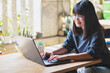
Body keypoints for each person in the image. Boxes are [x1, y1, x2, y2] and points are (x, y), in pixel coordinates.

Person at [41, 0, 110, 73]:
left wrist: (65, 57)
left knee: (85, 71)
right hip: (87, 64)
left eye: (80, 16)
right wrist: (52, 53)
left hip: (102, 65)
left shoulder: (97, 31)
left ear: (89, 17)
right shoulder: (74, 30)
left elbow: (91, 54)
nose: (76, 19)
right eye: (74, 15)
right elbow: (66, 46)